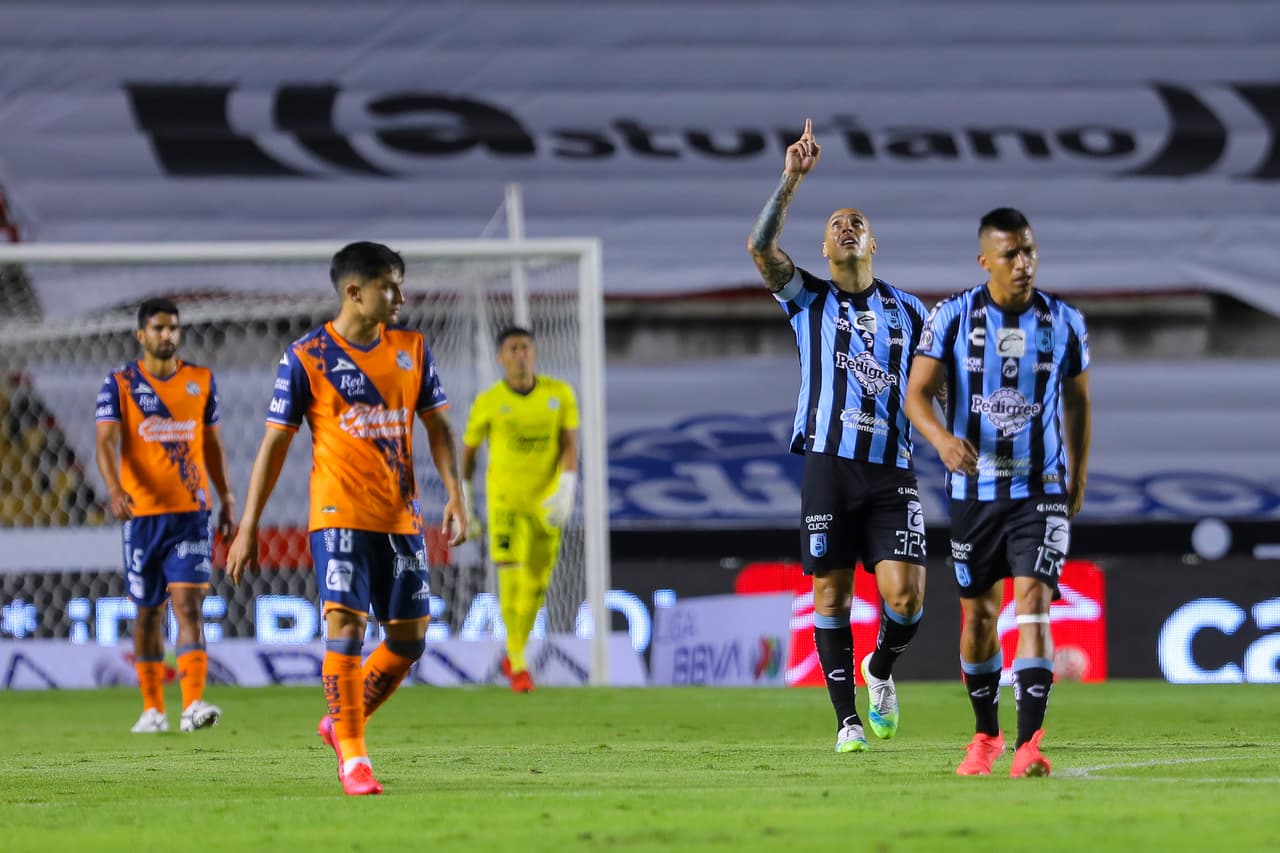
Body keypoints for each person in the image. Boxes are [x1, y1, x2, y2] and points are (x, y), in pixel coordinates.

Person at [225, 241, 467, 796]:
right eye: (390, 286)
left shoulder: (412, 348)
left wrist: (456, 495)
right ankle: (355, 758)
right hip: (338, 514)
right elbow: (274, 445)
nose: (401, 296)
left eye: (401, 284)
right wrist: (248, 525)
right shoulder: (306, 357)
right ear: (354, 292)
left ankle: (339, 724)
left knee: (409, 640)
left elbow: (438, 429)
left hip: (401, 517)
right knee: (347, 626)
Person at [747, 119, 929, 753]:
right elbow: (760, 248)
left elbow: (938, 384)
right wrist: (792, 179)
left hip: (890, 471)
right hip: (828, 464)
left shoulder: (913, 313)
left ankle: (880, 668)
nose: (845, 227)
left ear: (875, 241)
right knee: (832, 590)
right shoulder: (808, 300)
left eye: (856, 221)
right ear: (824, 249)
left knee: (906, 599)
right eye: (834, 225)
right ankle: (846, 719)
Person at [904, 207, 1091, 778]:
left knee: (1033, 603)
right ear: (985, 259)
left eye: (1029, 251)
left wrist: (1077, 477)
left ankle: (1030, 745)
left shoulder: (1064, 321)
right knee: (979, 617)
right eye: (1010, 254)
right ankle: (985, 736)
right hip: (973, 492)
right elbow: (916, 394)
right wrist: (939, 438)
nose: (1023, 263)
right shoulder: (953, 318)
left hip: (1041, 490)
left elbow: (1078, 402)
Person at [94, 297, 235, 734]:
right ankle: (153, 708)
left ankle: (193, 704)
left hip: (191, 513)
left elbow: (211, 444)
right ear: (141, 335)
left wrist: (226, 495)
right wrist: (115, 489)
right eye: (158, 328)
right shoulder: (118, 384)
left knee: (189, 605)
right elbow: (105, 443)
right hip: (142, 516)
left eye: (173, 328)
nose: (167, 335)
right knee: (148, 613)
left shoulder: (200, 380)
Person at [460, 326, 579, 693]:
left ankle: (516, 654)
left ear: (535, 352)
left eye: (525, 347)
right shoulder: (490, 401)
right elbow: (468, 451)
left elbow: (569, 444)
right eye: (512, 349)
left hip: (546, 505)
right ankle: (520, 663)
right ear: (501, 357)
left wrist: (567, 485)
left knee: (536, 585)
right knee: (511, 582)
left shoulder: (559, 394)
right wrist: (466, 495)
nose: (520, 354)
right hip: (505, 504)